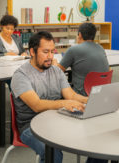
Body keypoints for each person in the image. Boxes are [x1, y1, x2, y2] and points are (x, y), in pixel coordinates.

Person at [11, 31, 88, 163]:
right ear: (32, 52)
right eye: (46, 52)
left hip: (58, 119)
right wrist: (64, 103)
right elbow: (37, 105)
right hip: (31, 126)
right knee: (52, 152)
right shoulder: (21, 76)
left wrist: (90, 100)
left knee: (98, 136)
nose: (50, 56)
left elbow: (71, 95)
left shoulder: (56, 70)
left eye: (52, 51)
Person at [57, 22, 109, 96]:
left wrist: (54, 63)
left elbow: (58, 71)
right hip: (101, 92)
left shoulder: (73, 50)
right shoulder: (101, 48)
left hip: (82, 94)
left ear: (80, 35)